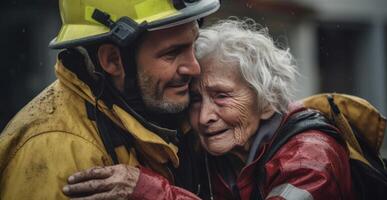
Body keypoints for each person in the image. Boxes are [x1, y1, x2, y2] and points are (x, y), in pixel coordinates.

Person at [63, 18, 355, 200]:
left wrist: (151, 192)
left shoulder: (313, 158)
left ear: (266, 101)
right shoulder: (210, 154)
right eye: (196, 100)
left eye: (222, 96)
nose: (204, 117)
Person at [0, 0, 219, 199]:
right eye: (172, 53)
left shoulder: (169, 112)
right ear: (112, 60)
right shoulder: (57, 153)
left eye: (193, 45)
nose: (194, 67)